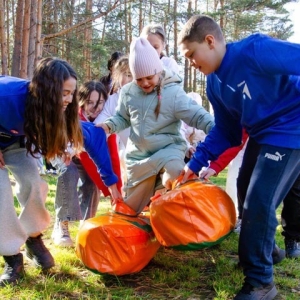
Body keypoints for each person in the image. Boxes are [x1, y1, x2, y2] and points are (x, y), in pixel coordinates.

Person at [178, 15, 300, 299]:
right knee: (245, 192)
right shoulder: (214, 85)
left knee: (260, 200)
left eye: (191, 54)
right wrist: (195, 164)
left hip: (291, 128)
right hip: (262, 134)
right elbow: (227, 131)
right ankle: (266, 251)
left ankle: (261, 284)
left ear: (210, 41)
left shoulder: (254, 51)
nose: (191, 63)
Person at [0, 57, 122, 287]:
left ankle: (33, 238)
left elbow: (94, 139)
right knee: (0, 193)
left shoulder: (62, 111)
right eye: (64, 93)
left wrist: (111, 184)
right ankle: (11, 256)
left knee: (33, 182)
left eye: (71, 93)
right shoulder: (6, 95)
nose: (68, 100)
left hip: (17, 141)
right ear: (46, 89)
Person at [97, 37, 214, 214]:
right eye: (139, 79)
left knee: (175, 176)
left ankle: (179, 222)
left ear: (158, 71)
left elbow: (197, 115)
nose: (144, 83)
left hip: (168, 150)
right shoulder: (128, 93)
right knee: (129, 208)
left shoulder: (173, 92)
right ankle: (137, 229)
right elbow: (121, 118)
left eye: (149, 77)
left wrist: (217, 129)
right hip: (139, 158)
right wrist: (107, 126)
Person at [51, 80, 121, 247]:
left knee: (91, 182)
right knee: (69, 172)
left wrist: (115, 188)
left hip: (88, 156)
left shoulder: (106, 122)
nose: (95, 108)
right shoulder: (71, 114)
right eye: (90, 102)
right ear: (81, 101)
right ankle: (62, 225)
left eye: (100, 103)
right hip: (62, 150)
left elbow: (109, 156)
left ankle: (86, 225)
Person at [95, 56, 132, 187]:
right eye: (127, 75)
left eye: (134, 75)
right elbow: (98, 130)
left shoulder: (148, 97)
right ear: (116, 75)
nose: (130, 80)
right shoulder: (112, 101)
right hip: (132, 159)